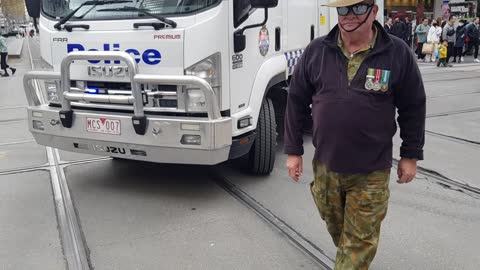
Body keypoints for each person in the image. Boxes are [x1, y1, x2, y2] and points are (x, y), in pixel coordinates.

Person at [284, 0, 426, 268]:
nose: (349, 16)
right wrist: (293, 150)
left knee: (357, 245)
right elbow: (296, 99)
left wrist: (411, 154)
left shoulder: (397, 52)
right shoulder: (317, 50)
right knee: (343, 236)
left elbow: (413, 106)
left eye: (358, 8)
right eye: (343, 9)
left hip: (371, 171)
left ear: (374, 11)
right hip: (326, 167)